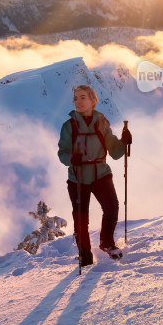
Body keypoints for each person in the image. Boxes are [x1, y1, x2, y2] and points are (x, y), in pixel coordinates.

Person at [58, 85, 132, 266]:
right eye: (75, 98)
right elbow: (62, 153)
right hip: (78, 177)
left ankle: (106, 243)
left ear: (93, 101)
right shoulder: (69, 126)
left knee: (112, 208)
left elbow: (115, 152)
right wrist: (71, 158)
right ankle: (85, 256)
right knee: (81, 219)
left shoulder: (101, 123)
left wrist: (124, 142)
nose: (78, 102)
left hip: (101, 173)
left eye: (82, 97)